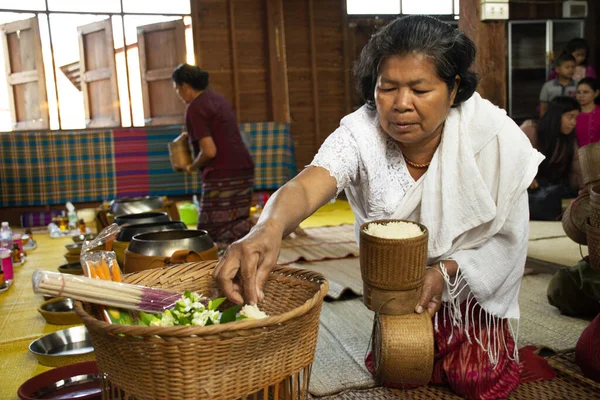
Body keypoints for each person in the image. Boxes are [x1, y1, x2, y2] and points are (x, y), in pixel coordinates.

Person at [215, 15, 543, 400]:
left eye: (420, 90)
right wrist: (266, 229)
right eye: (387, 88)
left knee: (476, 381)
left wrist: (445, 273)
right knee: (401, 370)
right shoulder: (361, 133)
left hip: (468, 292)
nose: (401, 105)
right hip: (397, 289)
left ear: (453, 89)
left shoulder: (492, 138)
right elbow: (306, 186)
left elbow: (510, 237)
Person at [172, 64, 255, 245]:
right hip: (244, 168)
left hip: (223, 173)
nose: (178, 94)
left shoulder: (194, 108)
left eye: (177, 89)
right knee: (236, 223)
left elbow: (209, 151)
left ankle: (266, 226)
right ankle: (266, 226)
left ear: (185, 86)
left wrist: (191, 166)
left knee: (210, 234)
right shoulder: (217, 99)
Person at [521, 96, 582, 220]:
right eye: (570, 117)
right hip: (525, 188)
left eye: (575, 118)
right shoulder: (531, 129)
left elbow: (577, 170)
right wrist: (526, 175)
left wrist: (584, 192)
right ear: (557, 115)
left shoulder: (569, 140)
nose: (573, 123)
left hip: (552, 187)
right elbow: (512, 155)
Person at [539, 53, 577, 117]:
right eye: (567, 67)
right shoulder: (548, 86)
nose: (571, 70)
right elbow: (543, 108)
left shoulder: (578, 85)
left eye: (573, 67)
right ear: (558, 69)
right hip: (552, 119)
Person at [575, 77, 600, 147]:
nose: (581, 96)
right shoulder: (572, 114)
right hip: (576, 155)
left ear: (596, 93)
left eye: (586, 92)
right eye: (578, 92)